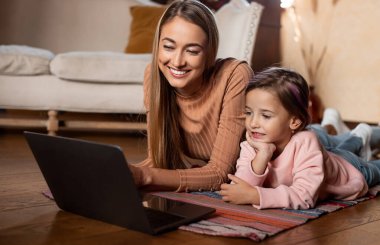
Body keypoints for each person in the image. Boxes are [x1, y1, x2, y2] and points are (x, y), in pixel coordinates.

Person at [129, 0, 254, 192]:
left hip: (294, 155)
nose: (177, 62)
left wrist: (144, 176)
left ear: (209, 52)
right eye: (169, 47)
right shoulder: (154, 75)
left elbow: (219, 173)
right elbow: (157, 161)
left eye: (192, 51)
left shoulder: (235, 75)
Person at [220, 67, 380, 210]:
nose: (253, 123)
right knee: (339, 146)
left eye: (266, 115)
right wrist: (262, 156)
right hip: (326, 157)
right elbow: (239, 188)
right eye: (248, 112)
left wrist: (255, 196)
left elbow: (304, 197)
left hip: (351, 170)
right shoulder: (253, 143)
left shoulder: (305, 141)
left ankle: (360, 135)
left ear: (294, 121)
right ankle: (359, 135)